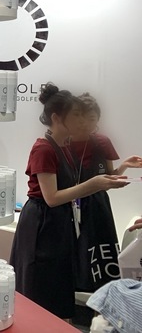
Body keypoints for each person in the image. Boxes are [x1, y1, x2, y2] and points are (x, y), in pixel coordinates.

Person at [10, 83, 128, 320]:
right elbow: (51, 197)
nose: (81, 121)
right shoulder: (43, 149)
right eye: (75, 115)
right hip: (42, 224)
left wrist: (103, 181)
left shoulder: (63, 147)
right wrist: (94, 184)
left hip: (59, 222)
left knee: (58, 285)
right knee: (39, 287)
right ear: (56, 118)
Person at [71, 93, 142, 291]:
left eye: (92, 119)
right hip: (70, 204)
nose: (87, 124)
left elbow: (110, 175)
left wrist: (124, 166)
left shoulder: (102, 142)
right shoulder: (63, 143)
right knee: (75, 254)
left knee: (100, 254)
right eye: (82, 118)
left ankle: (99, 294)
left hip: (97, 205)